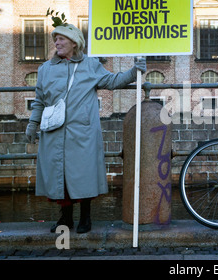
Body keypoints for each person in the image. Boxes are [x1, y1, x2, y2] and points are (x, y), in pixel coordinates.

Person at [26, 23, 146, 233]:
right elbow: (39, 100)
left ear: (74, 42)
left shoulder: (90, 65)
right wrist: (32, 123)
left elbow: (113, 81)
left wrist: (135, 70)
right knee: (59, 176)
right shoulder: (45, 69)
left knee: (83, 174)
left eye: (62, 39)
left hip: (82, 133)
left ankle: (85, 217)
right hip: (54, 132)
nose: (57, 42)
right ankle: (65, 219)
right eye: (56, 39)